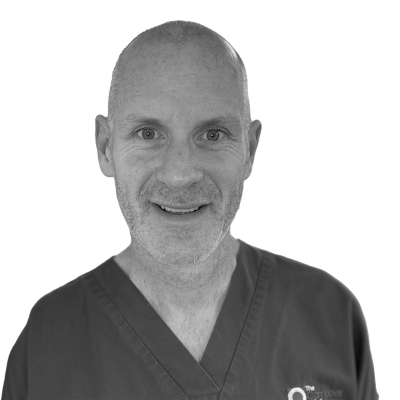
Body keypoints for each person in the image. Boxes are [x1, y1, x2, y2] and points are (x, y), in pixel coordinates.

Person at [3, 20, 377, 400]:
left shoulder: (330, 315)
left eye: (212, 135)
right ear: (105, 148)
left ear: (250, 150)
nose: (180, 175)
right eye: (149, 134)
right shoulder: (47, 340)